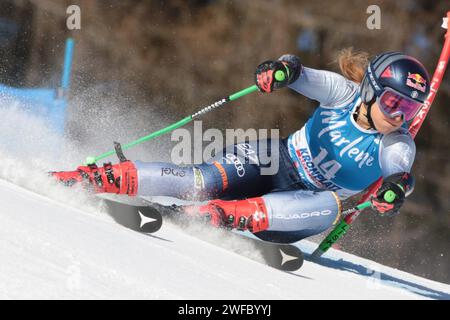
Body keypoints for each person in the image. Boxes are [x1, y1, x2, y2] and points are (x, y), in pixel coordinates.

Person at [51, 49, 427, 244]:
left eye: (408, 109)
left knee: (329, 206)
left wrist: (394, 191)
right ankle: (96, 177)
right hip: (278, 159)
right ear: (370, 90)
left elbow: (400, 172)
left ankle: (215, 216)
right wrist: (278, 72)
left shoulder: (398, 143)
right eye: (393, 103)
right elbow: (297, 73)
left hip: (306, 204)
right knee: (200, 181)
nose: (398, 115)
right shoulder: (341, 93)